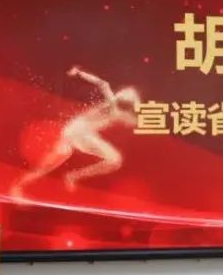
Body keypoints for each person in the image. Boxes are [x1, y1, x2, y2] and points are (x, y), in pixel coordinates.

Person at [10, 66, 140, 198]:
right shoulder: (112, 103)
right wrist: (79, 73)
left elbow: (131, 119)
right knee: (114, 159)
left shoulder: (117, 111)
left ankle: (18, 186)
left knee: (50, 164)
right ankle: (73, 176)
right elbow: (103, 84)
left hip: (72, 131)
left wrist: (79, 73)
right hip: (79, 132)